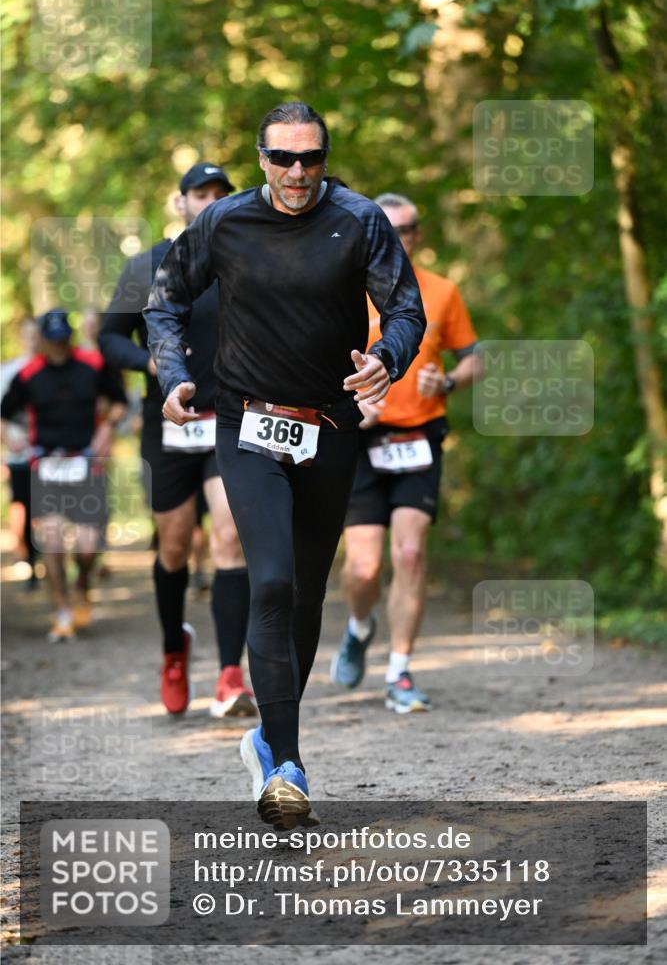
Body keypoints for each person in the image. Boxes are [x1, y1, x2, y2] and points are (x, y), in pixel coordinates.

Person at [144, 101, 425, 828]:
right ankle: (287, 767)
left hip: (329, 428)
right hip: (248, 424)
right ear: (262, 159)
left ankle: (268, 739)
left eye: (311, 158)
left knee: (304, 594)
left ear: (325, 158)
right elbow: (164, 301)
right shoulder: (223, 222)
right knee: (269, 579)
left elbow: (406, 311)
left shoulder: (359, 220)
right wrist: (174, 373)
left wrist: (386, 359)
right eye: (282, 158)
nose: (297, 172)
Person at [99, 162, 256, 719]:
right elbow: (108, 339)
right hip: (167, 423)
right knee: (174, 545)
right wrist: (151, 362)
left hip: (229, 419)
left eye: (220, 194)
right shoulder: (147, 265)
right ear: (180, 202)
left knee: (230, 537)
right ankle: (173, 650)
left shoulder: (244, 262)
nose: (210, 201)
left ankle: (231, 675)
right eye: (200, 193)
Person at [331, 192, 482, 712]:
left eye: (408, 229)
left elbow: (474, 358)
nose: (399, 238)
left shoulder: (441, 291)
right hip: (360, 441)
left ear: (418, 236)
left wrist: (450, 382)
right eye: (387, 229)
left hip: (420, 436)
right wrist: (350, 405)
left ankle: (399, 671)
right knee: (363, 568)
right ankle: (359, 626)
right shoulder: (341, 289)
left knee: (411, 554)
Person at [0, 309, 127, 639]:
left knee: (86, 545)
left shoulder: (93, 365)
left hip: (85, 463)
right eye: (52, 341)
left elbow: (119, 401)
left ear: (69, 338)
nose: (58, 347)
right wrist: (8, 437)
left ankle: (83, 583)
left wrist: (107, 430)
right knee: (52, 540)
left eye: (62, 341)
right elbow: (3, 412)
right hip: (46, 466)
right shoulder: (29, 374)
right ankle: (62, 611)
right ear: (42, 341)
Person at [0, 317, 40, 589]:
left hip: (48, 451)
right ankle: (29, 560)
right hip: (18, 452)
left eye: (36, 334)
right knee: (23, 506)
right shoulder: (9, 371)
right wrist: (6, 440)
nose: (33, 339)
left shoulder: (52, 369)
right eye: (28, 334)